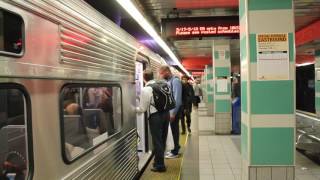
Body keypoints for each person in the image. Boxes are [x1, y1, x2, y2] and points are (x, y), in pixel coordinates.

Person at [136, 69, 169, 172]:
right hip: (165, 114)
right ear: (153, 76)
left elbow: (142, 109)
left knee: (157, 141)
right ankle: (159, 161)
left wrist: (132, 108)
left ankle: (160, 165)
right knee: (162, 139)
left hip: (156, 117)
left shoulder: (146, 89)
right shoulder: (161, 84)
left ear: (144, 78)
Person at [158, 65, 182, 159]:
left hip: (174, 111)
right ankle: (175, 148)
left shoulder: (175, 81)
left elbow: (177, 99)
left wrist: (173, 114)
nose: (161, 75)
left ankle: (175, 152)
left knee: (174, 131)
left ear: (167, 72)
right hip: (170, 111)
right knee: (172, 131)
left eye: (162, 73)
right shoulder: (168, 81)